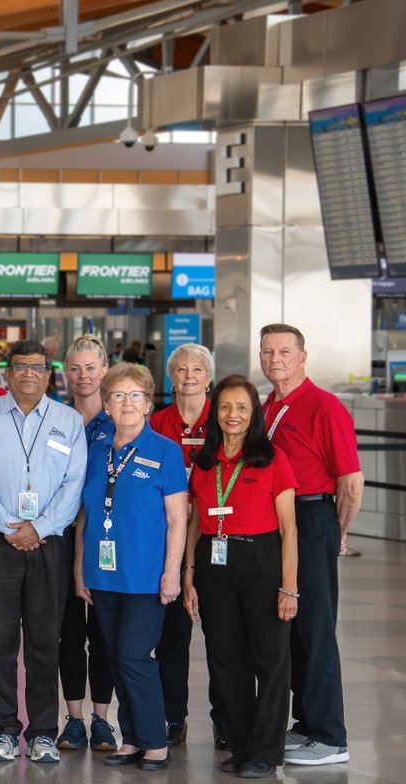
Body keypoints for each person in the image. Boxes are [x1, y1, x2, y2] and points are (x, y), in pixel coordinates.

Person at [0, 339, 86, 764]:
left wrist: (40, 527)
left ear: (49, 375)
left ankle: (44, 732)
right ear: (7, 373)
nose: (28, 374)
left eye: (36, 367)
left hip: (50, 545)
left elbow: (73, 485)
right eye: (19, 367)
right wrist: (11, 527)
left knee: (46, 641)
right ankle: (3, 731)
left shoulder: (68, 422)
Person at [182, 375, 299, 779]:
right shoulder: (205, 462)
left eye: (242, 408)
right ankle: (242, 744)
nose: (233, 415)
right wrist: (189, 574)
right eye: (226, 407)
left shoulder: (271, 458)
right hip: (214, 565)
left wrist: (289, 587)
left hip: (261, 562)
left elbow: (289, 530)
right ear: (215, 413)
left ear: (255, 414)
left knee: (270, 660)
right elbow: (195, 522)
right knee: (225, 660)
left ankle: (266, 752)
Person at [74, 362, 186, 771]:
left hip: (145, 576)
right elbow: (85, 514)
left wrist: (172, 572)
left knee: (133, 655)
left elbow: (177, 518)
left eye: (134, 395)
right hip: (104, 574)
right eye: (117, 396)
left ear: (148, 403)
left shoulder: (166, 451)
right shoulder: (96, 451)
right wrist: (79, 569)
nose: (126, 403)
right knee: (115, 655)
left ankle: (156, 740)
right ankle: (132, 738)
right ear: (105, 404)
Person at [259, 323, 362, 766]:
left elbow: (350, 482)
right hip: (278, 518)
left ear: (303, 356)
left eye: (284, 351)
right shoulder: (269, 405)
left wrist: (334, 532)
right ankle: (305, 723)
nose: (275, 359)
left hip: (312, 514)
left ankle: (330, 735)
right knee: (293, 625)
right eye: (267, 352)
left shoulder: (324, 406)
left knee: (317, 627)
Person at [148, 343, 227, 748]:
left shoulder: (228, 420)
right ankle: (172, 716)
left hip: (218, 539)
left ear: (208, 377)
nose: (189, 376)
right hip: (171, 540)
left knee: (223, 635)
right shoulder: (157, 422)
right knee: (172, 636)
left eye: (197, 369)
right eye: (181, 369)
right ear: (170, 377)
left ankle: (226, 719)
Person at [55, 335, 117, 752]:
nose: (83, 376)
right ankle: (74, 720)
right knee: (68, 632)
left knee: (105, 632)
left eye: (91, 368)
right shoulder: (56, 420)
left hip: (106, 541)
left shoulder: (120, 421)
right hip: (60, 539)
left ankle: (102, 720)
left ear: (105, 369)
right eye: (74, 369)